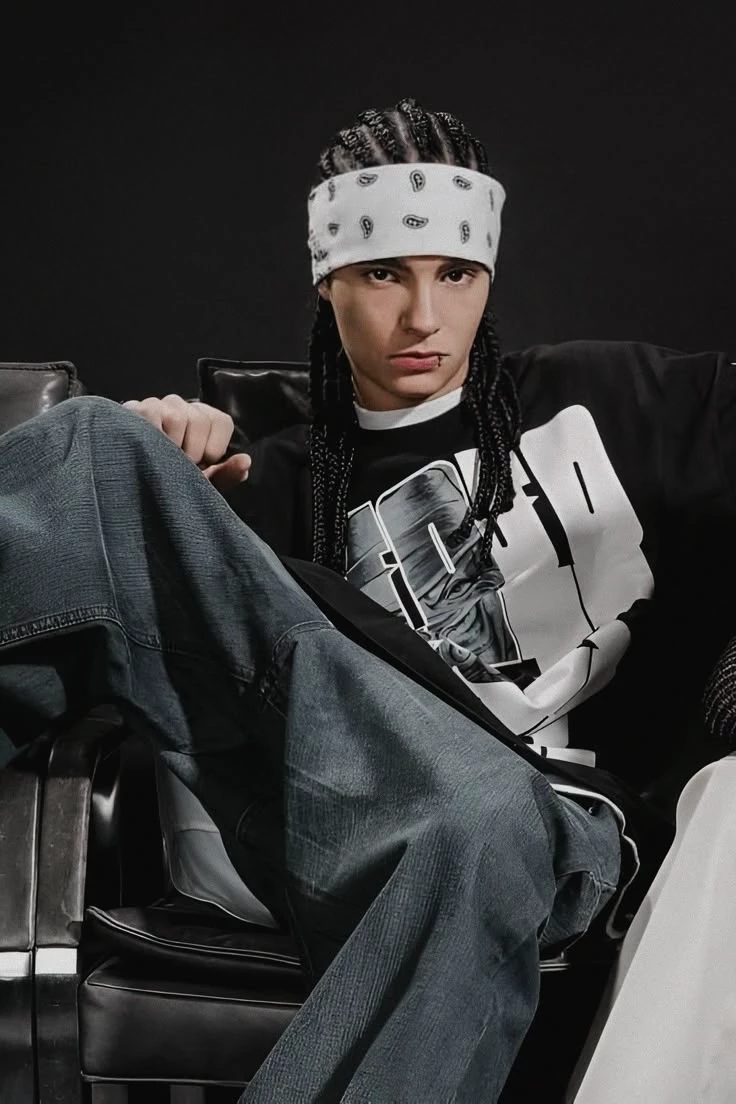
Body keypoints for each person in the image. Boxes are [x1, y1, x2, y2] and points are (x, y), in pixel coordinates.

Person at [0, 96, 732, 1102]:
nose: (423, 317)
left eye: (455, 275)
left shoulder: (626, 402)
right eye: (385, 273)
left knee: (478, 819)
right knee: (98, 445)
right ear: (328, 279)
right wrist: (168, 476)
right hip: (324, 813)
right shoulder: (272, 478)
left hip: (553, 829)